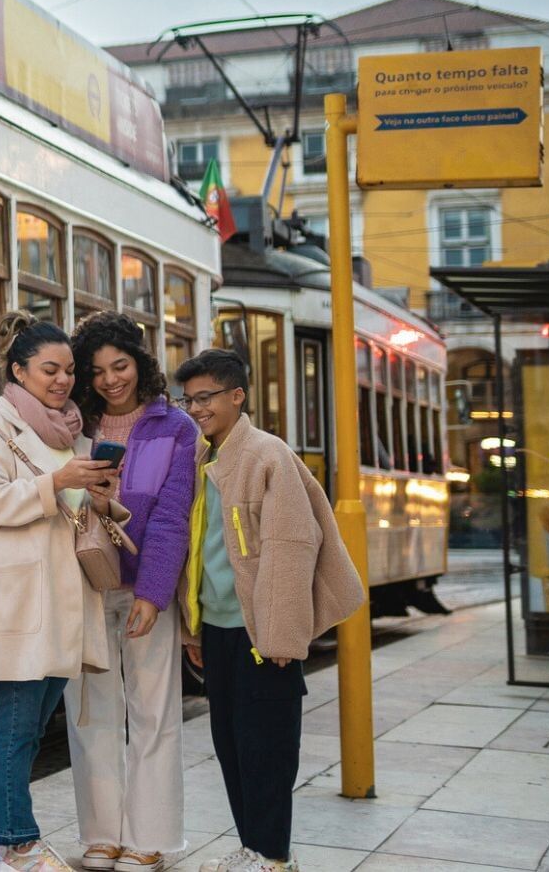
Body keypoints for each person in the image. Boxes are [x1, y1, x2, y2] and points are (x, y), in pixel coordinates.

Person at [175, 349, 364, 872]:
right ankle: (254, 847)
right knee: (231, 746)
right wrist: (193, 628)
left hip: (262, 632)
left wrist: (282, 636)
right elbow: (198, 547)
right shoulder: (203, 456)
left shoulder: (266, 455)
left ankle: (274, 856)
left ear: (238, 395)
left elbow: (290, 545)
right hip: (219, 628)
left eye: (206, 397)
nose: (196, 408)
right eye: (189, 399)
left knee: (267, 748)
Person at [0, 312, 116, 872]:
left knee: (33, 722)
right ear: (19, 371)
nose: (62, 380)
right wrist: (56, 483)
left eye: (69, 370)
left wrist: (98, 494)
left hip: (62, 596)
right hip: (21, 596)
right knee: (18, 721)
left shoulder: (70, 433)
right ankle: (17, 842)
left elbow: (71, 511)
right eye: (49, 370)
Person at [65, 314, 202, 872]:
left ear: (139, 363)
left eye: (119, 366)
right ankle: (100, 836)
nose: (109, 380)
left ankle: (151, 839)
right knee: (90, 712)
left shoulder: (175, 428)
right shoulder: (74, 423)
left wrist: (153, 592)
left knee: (153, 712)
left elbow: (172, 516)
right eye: (96, 371)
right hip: (85, 584)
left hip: (146, 587)